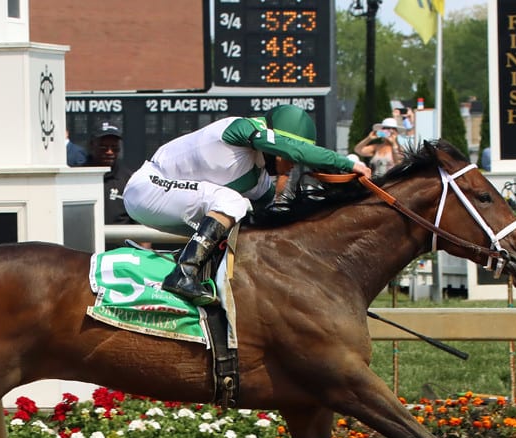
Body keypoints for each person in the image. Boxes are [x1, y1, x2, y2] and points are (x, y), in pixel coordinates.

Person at [123, 104, 371, 305]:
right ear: (278, 143)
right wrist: (348, 164)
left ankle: (208, 276)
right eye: (292, 153)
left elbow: (273, 221)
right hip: (147, 186)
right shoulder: (241, 128)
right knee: (232, 201)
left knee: (243, 221)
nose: (294, 163)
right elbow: (294, 151)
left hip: (162, 199)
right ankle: (184, 273)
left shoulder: (259, 180)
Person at [87, 121, 134, 225]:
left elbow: (141, 225)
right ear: (91, 145)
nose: (109, 152)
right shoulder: (77, 177)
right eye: (103, 147)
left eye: (114, 147)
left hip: (119, 240)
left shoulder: (129, 180)